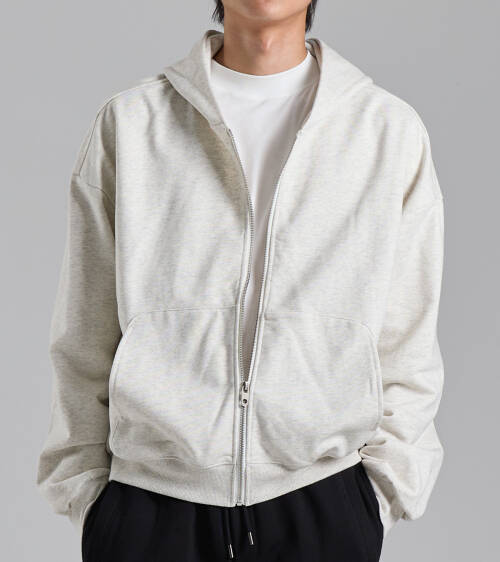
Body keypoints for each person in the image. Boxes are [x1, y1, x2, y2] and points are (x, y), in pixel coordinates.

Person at [37, 1, 445, 561]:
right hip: (149, 508)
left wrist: (380, 497)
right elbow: (84, 332)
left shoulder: (387, 131)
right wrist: (89, 499)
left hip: (322, 504)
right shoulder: (131, 124)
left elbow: (408, 342)